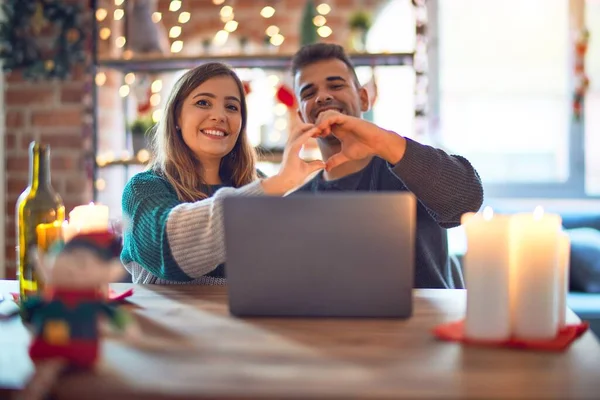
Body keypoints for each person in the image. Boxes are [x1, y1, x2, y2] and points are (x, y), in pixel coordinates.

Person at [290, 43, 484, 289]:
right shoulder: (297, 203)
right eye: (308, 93)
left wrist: (382, 140)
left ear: (363, 98)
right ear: (301, 116)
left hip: (422, 325)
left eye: (336, 85)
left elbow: (467, 200)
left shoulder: (410, 170)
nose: (323, 96)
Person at [121, 62, 325, 284]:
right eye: (203, 102)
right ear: (177, 117)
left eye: (231, 107)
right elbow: (168, 253)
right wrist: (275, 186)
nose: (219, 116)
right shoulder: (143, 188)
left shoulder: (260, 183)